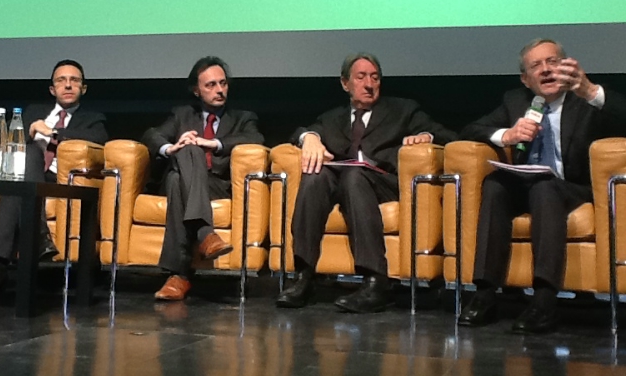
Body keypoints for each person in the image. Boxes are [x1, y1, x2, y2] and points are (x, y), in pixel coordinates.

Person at [458, 39, 626, 333]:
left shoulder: (584, 100)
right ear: (526, 79)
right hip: (527, 187)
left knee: (544, 187)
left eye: (553, 62)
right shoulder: (516, 101)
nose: (546, 70)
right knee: (495, 184)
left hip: (571, 188)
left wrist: (591, 91)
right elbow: (470, 129)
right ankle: (485, 293)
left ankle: (545, 301)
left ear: (566, 67)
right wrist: (507, 135)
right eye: (536, 66)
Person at [276, 53, 456, 312]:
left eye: (375, 77)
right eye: (361, 77)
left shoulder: (403, 110)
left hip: (384, 184)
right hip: (343, 184)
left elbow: (448, 135)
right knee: (315, 176)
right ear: (345, 83)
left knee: (354, 174)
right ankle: (304, 276)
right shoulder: (332, 118)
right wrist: (310, 137)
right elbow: (299, 131)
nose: (369, 84)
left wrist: (426, 136)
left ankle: (375, 282)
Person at [0, 59, 108, 293]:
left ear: (84, 88)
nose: (68, 85)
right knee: (21, 169)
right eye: (61, 81)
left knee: (20, 173)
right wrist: (27, 131)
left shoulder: (92, 118)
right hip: (27, 175)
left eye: (74, 80)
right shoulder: (33, 112)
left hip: (57, 179)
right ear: (52, 89)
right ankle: (38, 240)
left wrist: (53, 132)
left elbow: (100, 138)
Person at [143, 56, 264, 301]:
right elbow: (151, 135)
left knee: (176, 179)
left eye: (223, 83)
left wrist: (213, 143)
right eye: (211, 85)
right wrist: (172, 148)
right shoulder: (181, 115)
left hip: (216, 185)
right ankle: (205, 234)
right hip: (188, 182)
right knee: (186, 151)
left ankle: (179, 275)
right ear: (197, 90)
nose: (219, 90)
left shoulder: (243, 117)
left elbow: (255, 138)